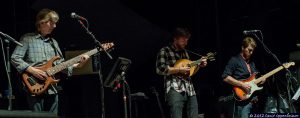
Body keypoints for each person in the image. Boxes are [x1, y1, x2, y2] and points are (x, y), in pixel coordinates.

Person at [11, 8, 89, 114]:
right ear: (42, 22)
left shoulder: (54, 43)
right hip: (34, 85)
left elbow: (60, 65)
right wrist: (34, 71)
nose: (54, 26)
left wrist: (79, 64)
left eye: (55, 23)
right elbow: (15, 58)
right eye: (52, 23)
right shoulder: (27, 39)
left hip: (52, 88)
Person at [156, 27, 207, 118]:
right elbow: (160, 69)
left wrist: (199, 65)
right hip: (174, 89)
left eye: (187, 40)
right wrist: (179, 69)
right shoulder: (165, 51)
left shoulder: (185, 53)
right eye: (183, 40)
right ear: (175, 39)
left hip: (189, 89)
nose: (186, 43)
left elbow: (190, 72)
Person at [222, 36, 264, 118]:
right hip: (242, 101)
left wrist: (262, 80)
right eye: (249, 50)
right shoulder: (234, 60)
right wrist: (241, 85)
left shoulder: (252, 63)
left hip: (253, 100)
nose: (251, 53)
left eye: (252, 51)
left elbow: (254, 79)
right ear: (242, 48)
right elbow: (225, 77)